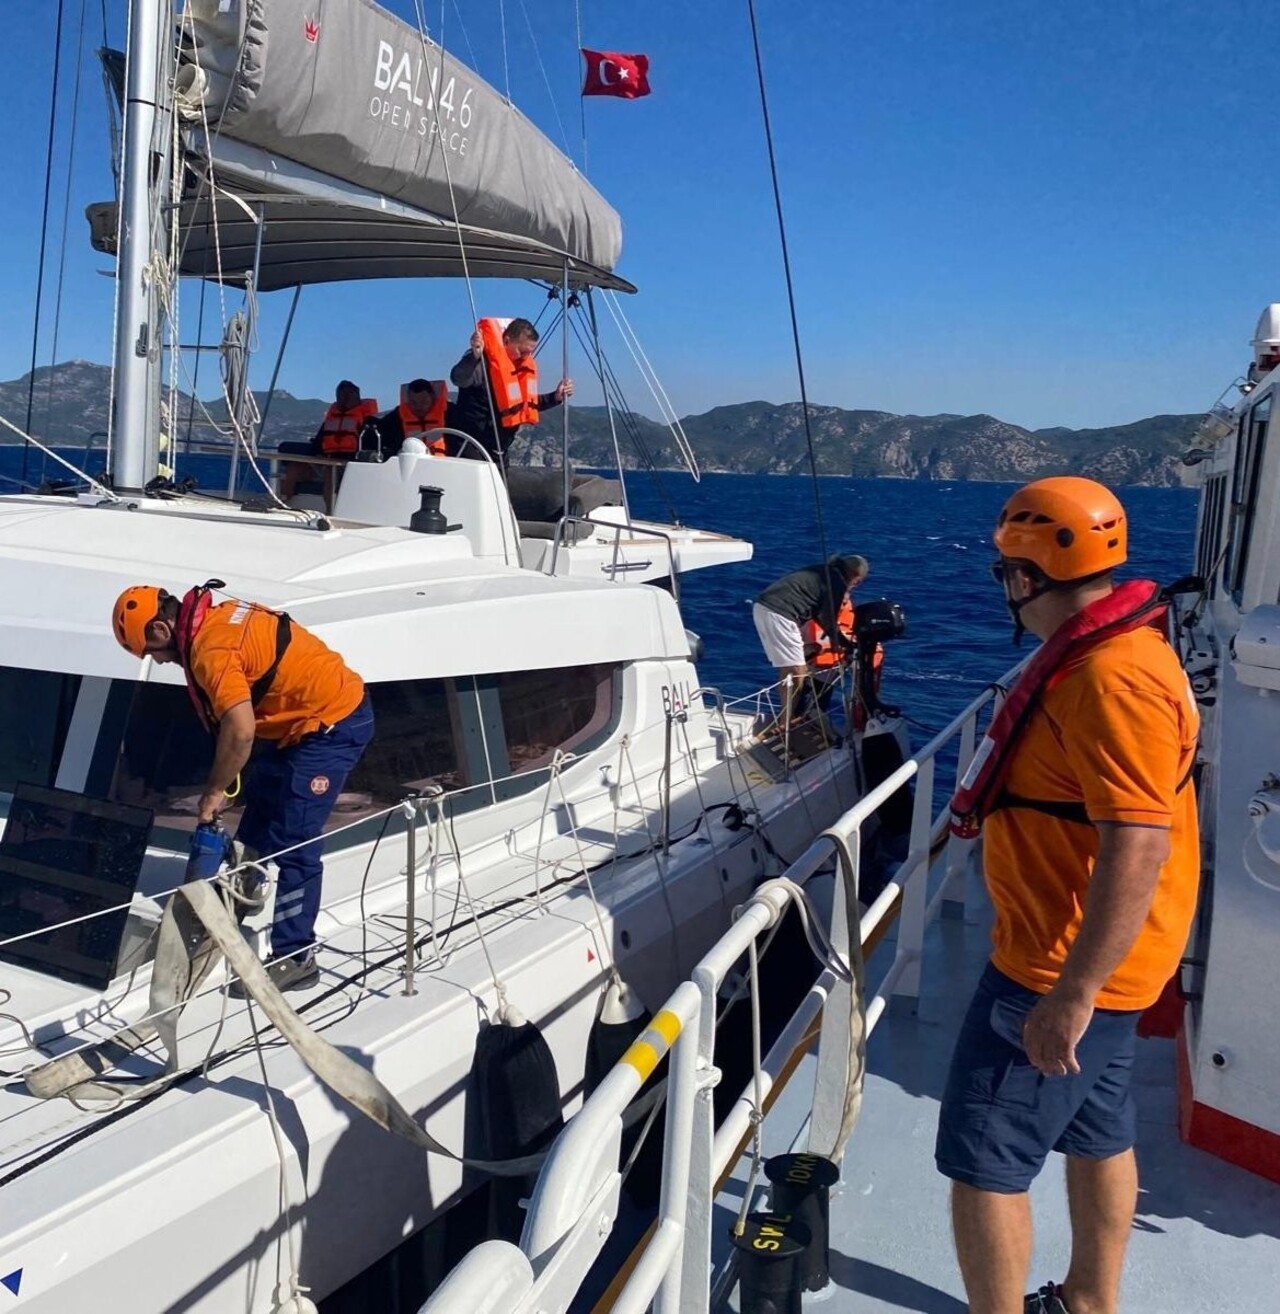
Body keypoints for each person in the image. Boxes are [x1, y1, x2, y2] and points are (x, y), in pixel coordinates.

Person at [939, 477, 1200, 1314]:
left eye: (1004, 573)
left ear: (1024, 579)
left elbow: (1138, 838)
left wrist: (1072, 995)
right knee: (1099, 1130)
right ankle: (1091, 1299)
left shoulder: (1108, 679)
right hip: (1110, 965)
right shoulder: (1124, 653)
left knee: (983, 1162)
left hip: (1057, 967)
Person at [111, 581, 375, 992]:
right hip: (294, 726)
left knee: (295, 841)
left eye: (153, 654)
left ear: (162, 631)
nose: (160, 663)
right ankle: (237, 899)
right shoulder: (215, 620)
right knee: (258, 815)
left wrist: (213, 792)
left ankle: (296, 957)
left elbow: (240, 731)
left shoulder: (211, 651)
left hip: (331, 725)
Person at [448, 317, 574, 469]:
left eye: (529, 353)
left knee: (499, 492)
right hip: (471, 445)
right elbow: (458, 378)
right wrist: (474, 357)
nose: (525, 357)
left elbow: (524, 404)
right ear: (507, 341)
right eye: (522, 351)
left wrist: (555, 397)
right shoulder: (482, 362)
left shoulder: (518, 369)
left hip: (499, 451)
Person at [752, 554, 869, 702]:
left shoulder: (821, 570)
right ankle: (786, 720)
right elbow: (828, 621)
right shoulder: (837, 582)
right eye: (857, 582)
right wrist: (847, 645)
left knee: (790, 665)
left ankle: (787, 715)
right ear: (854, 575)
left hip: (762, 607)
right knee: (797, 669)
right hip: (782, 614)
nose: (854, 587)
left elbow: (818, 614)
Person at [278, 380, 378, 502]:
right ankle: (283, 503)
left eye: (348, 395)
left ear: (357, 398)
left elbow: (371, 447)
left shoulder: (370, 422)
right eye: (341, 395)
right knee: (293, 468)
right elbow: (318, 444)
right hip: (326, 460)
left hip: (350, 464)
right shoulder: (331, 420)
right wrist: (319, 453)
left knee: (331, 472)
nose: (345, 399)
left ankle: (329, 512)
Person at [371, 378, 449, 458]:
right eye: (413, 402)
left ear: (432, 397)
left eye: (423, 401)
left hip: (446, 466)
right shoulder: (395, 418)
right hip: (408, 466)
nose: (419, 406)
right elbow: (377, 437)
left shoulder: (450, 413)